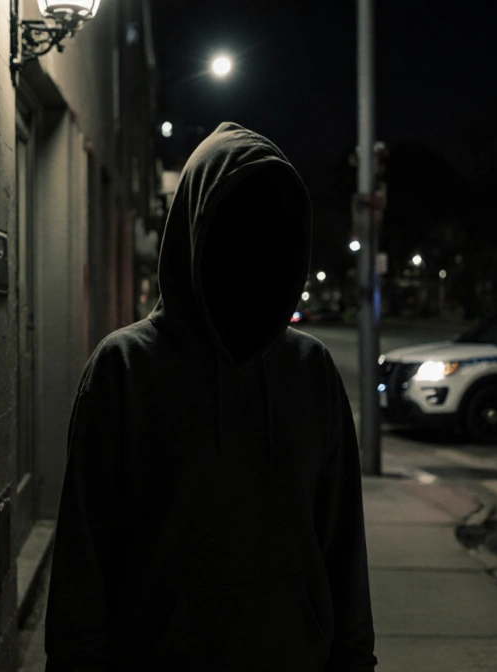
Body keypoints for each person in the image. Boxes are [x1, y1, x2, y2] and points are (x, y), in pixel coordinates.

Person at [45, 122, 376, 672]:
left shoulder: (310, 372)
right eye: (236, 226)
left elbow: (343, 547)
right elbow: (84, 561)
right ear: (197, 232)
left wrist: (354, 660)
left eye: (274, 232)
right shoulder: (124, 369)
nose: (256, 252)